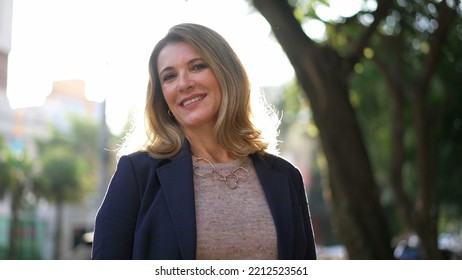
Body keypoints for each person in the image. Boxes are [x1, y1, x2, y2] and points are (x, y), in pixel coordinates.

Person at [91, 23, 317, 260]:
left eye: (197, 67)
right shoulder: (137, 175)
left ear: (227, 74)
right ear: (162, 97)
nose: (184, 83)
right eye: (169, 77)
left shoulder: (285, 176)